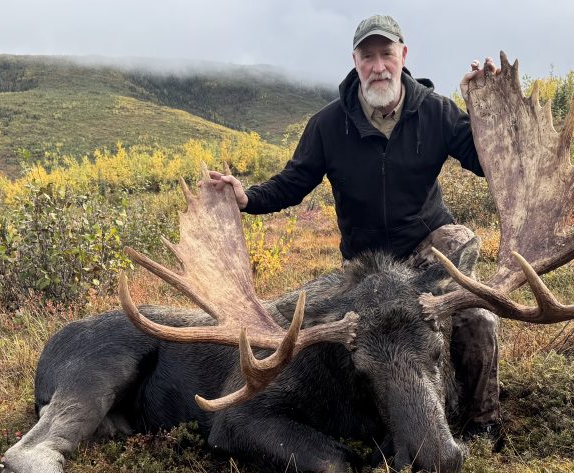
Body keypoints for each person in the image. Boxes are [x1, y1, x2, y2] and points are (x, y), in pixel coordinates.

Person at [206, 15, 502, 445]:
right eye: (368, 56)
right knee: (317, 336)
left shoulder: (436, 112)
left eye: (386, 54)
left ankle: (483, 420)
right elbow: (293, 182)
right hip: (363, 271)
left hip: (423, 258)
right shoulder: (328, 125)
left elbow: (487, 161)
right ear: (355, 62)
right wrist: (248, 197)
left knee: (477, 316)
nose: (378, 65)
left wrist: (487, 106)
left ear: (403, 56)